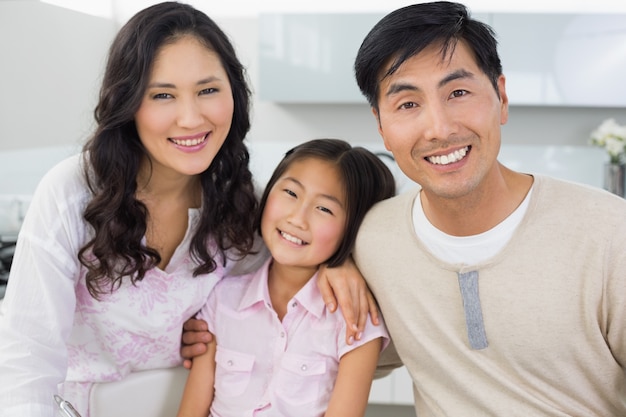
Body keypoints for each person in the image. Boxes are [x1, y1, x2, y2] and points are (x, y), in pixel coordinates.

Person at [0, 3, 370, 416]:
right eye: (162, 95)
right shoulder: (72, 192)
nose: (191, 118)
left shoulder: (247, 206)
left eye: (208, 90)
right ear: (128, 103)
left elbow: (301, 299)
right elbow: (26, 358)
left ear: (235, 93)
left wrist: (342, 261)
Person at [351, 1, 626, 416]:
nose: (440, 129)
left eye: (458, 93)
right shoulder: (371, 241)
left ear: (501, 97)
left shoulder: (609, 234)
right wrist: (326, 268)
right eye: (408, 104)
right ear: (381, 126)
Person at [176, 139, 394, 417]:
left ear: (356, 227)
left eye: (324, 209)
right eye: (291, 192)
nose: (297, 218)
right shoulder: (222, 298)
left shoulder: (355, 322)